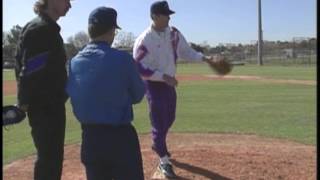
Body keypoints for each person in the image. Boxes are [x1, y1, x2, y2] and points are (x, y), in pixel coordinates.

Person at [133, 1, 232, 178]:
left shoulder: (174, 34)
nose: (169, 17)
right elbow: (139, 68)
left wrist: (206, 58)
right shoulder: (144, 40)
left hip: (169, 84)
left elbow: (187, 52)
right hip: (154, 85)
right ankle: (164, 160)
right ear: (155, 16)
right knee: (159, 121)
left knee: (170, 118)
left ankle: (158, 143)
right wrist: (163, 76)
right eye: (165, 14)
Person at [66, 7, 145, 180]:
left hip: (90, 139)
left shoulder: (73, 63)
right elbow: (138, 95)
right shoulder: (123, 59)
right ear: (111, 31)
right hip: (120, 139)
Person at [14, 0, 72, 179]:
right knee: (49, 161)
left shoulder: (45, 27)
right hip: (46, 107)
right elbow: (31, 69)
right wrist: (23, 103)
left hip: (48, 105)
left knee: (50, 160)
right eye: (66, 0)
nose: (69, 5)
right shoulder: (41, 29)